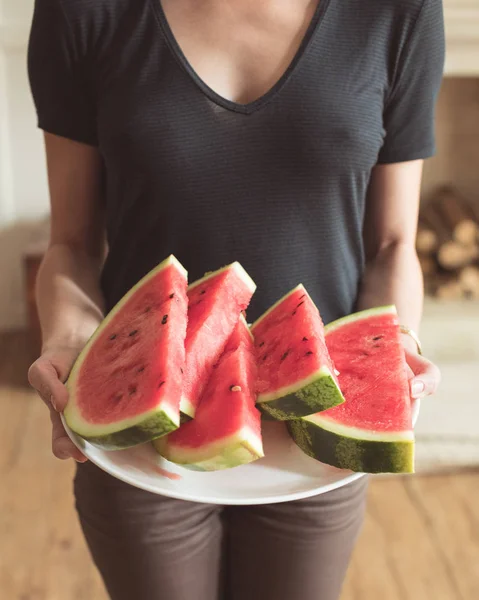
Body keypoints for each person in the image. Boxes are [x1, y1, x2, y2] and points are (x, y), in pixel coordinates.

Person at [26, 0, 444, 598]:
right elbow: (70, 245)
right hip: (143, 441)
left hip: (316, 435)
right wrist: (67, 340)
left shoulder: (400, 12)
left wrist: (394, 343)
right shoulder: (82, 10)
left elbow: (393, 243)